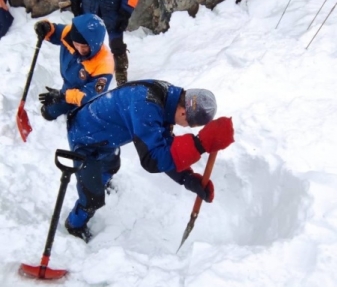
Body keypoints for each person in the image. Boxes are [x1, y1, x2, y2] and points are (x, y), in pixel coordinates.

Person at [65, 80, 235, 242]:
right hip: (85, 137)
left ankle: (103, 180)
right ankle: (75, 225)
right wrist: (198, 145)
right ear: (184, 113)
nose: (185, 127)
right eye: (188, 124)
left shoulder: (168, 98)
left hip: (107, 135)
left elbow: (163, 146)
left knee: (111, 166)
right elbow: (152, 160)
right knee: (91, 196)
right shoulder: (147, 106)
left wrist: (187, 179)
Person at [34, 13, 114, 121]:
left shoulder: (105, 64)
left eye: (85, 46)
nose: (80, 50)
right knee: (47, 112)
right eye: (76, 44)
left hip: (86, 100)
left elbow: (90, 96)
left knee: (79, 121)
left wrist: (62, 96)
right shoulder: (69, 33)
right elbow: (56, 31)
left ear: (95, 43)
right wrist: (47, 28)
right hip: (69, 86)